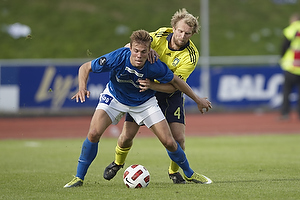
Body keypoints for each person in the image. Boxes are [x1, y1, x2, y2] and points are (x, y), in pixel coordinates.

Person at [64, 29, 212, 188]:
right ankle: (78, 178)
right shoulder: (118, 57)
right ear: (130, 48)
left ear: (150, 51)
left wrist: (197, 99)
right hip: (115, 97)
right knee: (93, 133)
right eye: (135, 51)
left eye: (143, 52)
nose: (139, 55)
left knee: (169, 142)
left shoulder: (155, 66)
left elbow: (176, 83)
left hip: (144, 102)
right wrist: (81, 87)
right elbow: (85, 67)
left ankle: (189, 174)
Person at [103, 8, 203, 184]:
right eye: (179, 31)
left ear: (192, 34)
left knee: (178, 138)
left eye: (187, 33)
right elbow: (133, 46)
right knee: (127, 136)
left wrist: (153, 84)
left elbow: (174, 86)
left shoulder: (191, 56)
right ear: (173, 28)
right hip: (144, 92)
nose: (182, 35)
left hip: (169, 93)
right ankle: (117, 163)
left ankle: (174, 172)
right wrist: (146, 50)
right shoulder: (159, 35)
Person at [279, 13, 300, 120]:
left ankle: (285, 114)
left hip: (291, 67)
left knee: (286, 92)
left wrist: (282, 57)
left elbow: (284, 45)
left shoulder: (292, 29)